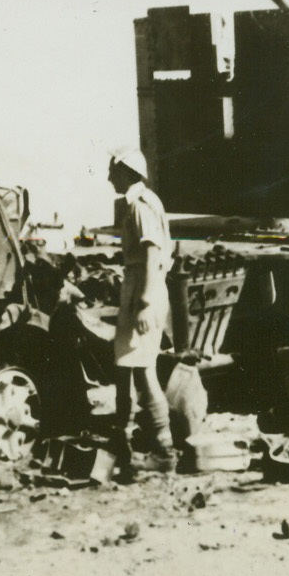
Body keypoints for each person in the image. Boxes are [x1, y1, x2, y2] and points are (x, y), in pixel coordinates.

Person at [107, 147, 177, 476]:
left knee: (144, 371)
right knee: (129, 367)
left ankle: (164, 452)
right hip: (138, 287)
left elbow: (151, 252)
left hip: (143, 289)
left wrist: (146, 302)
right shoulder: (141, 201)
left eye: (113, 171)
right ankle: (124, 445)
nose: (109, 178)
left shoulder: (140, 204)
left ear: (126, 172)